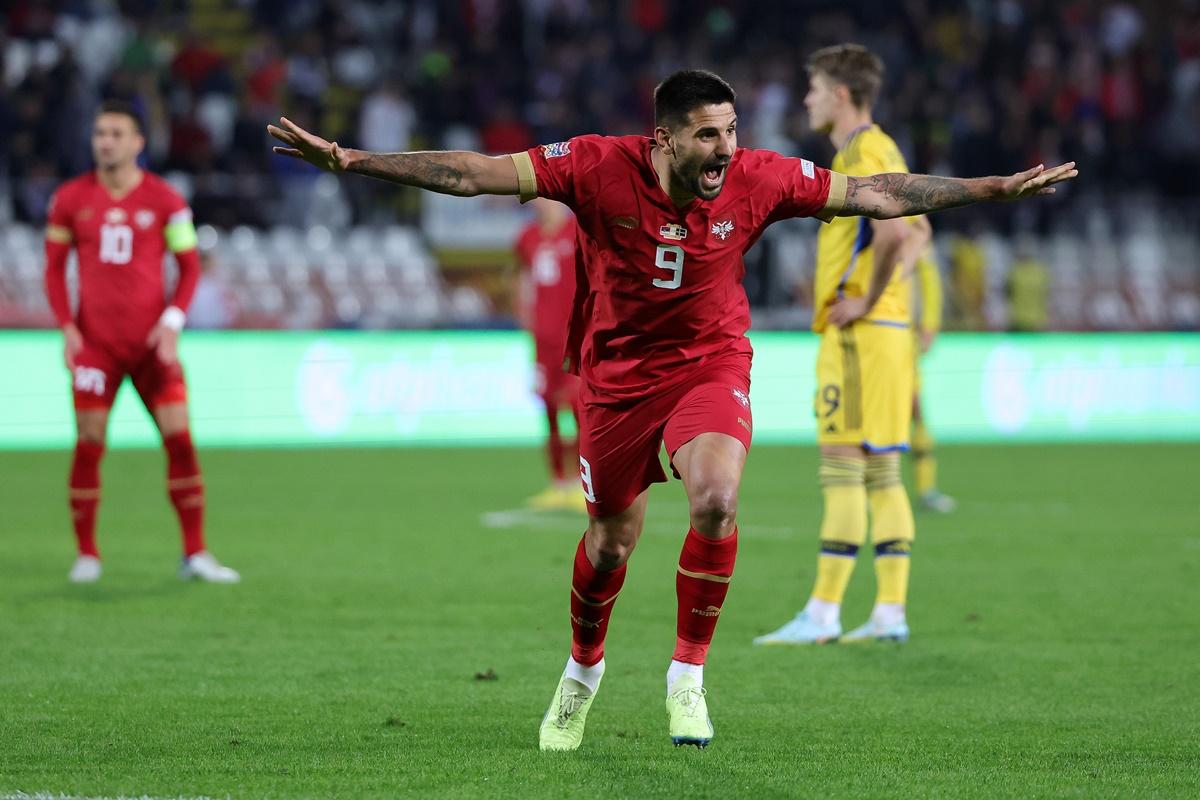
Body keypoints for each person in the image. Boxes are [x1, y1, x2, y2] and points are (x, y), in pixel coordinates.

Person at [268, 69, 1075, 750]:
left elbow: (878, 193)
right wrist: (351, 160)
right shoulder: (591, 165)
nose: (725, 149)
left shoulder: (763, 176)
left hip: (710, 365)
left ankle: (686, 676)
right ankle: (584, 668)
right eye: (706, 136)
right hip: (616, 381)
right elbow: (472, 172)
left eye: (729, 131)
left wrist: (993, 187)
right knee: (610, 545)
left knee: (718, 500)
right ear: (662, 140)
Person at [753, 44, 955, 647]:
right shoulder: (883, 148)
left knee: (842, 473)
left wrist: (863, 299)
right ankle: (889, 613)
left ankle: (823, 613)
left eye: (813, 88)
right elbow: (920, 232)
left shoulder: (865, 151)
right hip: (886, 336)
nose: (807, 98)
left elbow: (898, 231)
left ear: (840, 94)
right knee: (884, 474)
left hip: (860, 337)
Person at [44, 100, 239, 585]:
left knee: (181, 441)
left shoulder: (166, 200)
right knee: (89, 442)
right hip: (96, 347)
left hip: (154, 346)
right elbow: (53, 270)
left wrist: (172, 323)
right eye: (99, 133)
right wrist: (68, 328)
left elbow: (191, 268)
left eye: (114, 133)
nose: (104, 142)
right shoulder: (69, 199)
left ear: (137, 143)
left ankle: (194, 553)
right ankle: (87, 554)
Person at [514, 198, 586, 512]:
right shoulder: (527, 237)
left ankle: (586, 485)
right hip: (542, 342)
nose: (537, 203)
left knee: (577, 407)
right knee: (549, 409)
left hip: (575, 338)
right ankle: (558, 482)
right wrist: (524, 316)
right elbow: (520, 278)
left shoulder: (577, 232)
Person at [911, 235, 957, 513]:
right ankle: (868, 485)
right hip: (875, 335)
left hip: (899, 336)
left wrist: (929, 324)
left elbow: (929, 279)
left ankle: (926, 488)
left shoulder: (911, 225)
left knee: (914, 409)